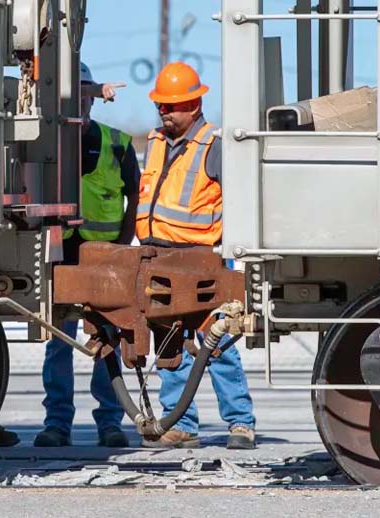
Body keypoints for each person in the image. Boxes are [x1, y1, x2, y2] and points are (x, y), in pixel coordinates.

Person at [135, 62, 256, 450]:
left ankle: (240, 423)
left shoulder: (214, 145)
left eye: (171, 106)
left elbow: (240, 201)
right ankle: (181, 424)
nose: (164, 112)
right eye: (161, 106)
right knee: (169, 342)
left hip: (202, 259)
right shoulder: (154, 141)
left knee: (214, 341)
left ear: (195, 104)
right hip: (160, 257)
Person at [34, 63, 138, 448]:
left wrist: (124, 245)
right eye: (71, 92)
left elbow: (135, 198)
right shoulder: (43, 141)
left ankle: (110, 422)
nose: (79, 101)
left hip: (106, 258)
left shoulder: (118, 143)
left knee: (106, 341)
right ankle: (57, 423)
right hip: (61, 256)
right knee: (60, 341)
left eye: (84, 93)